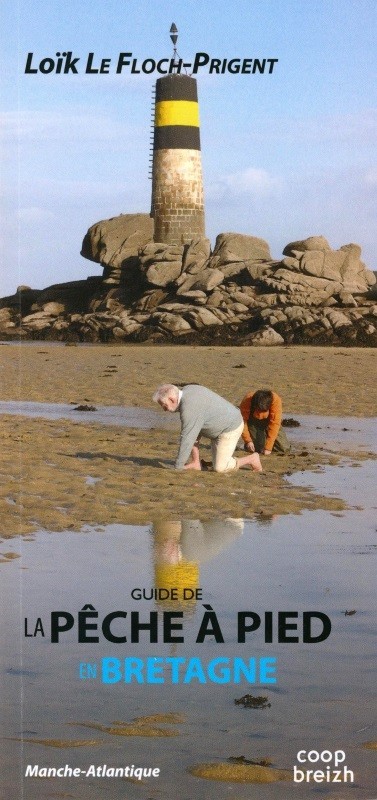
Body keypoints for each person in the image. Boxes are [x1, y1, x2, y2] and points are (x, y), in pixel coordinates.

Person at [153, 384, 262, 472]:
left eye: (164, 405)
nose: (164, 409)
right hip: (220, 423)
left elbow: (186, 439)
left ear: (172, 399)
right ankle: (196, 463)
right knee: (191, 430)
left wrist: (178, 466)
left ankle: (251, 459)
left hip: (230, 428)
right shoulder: (188, 390)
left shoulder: (189, 408)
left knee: (220, 468)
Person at [240, 388, 290, 455]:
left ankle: (265, 438)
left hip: (270, 420)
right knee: (258, 449)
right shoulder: (247, 400)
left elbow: (275, 424)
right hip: (253, 421)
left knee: (284, 448)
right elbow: (242, 422)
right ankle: (253, 442)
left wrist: (268, 448)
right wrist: (248, 441)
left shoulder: (276, 400)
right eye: (259, 410)